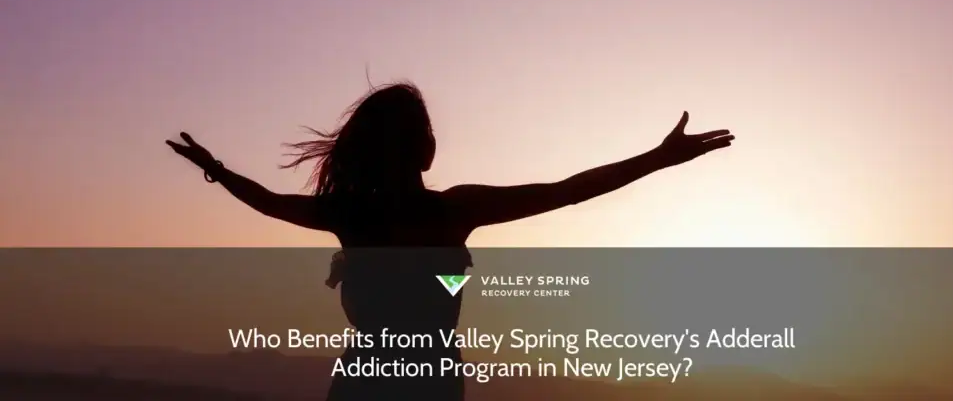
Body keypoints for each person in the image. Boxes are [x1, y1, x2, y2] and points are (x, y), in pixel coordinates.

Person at [165, 81, 734, 400]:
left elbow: (267, 201)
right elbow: (569, 192)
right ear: (424, 151)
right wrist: (659, 159)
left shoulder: (354, 214)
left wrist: (215, 167)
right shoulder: (453, 209)